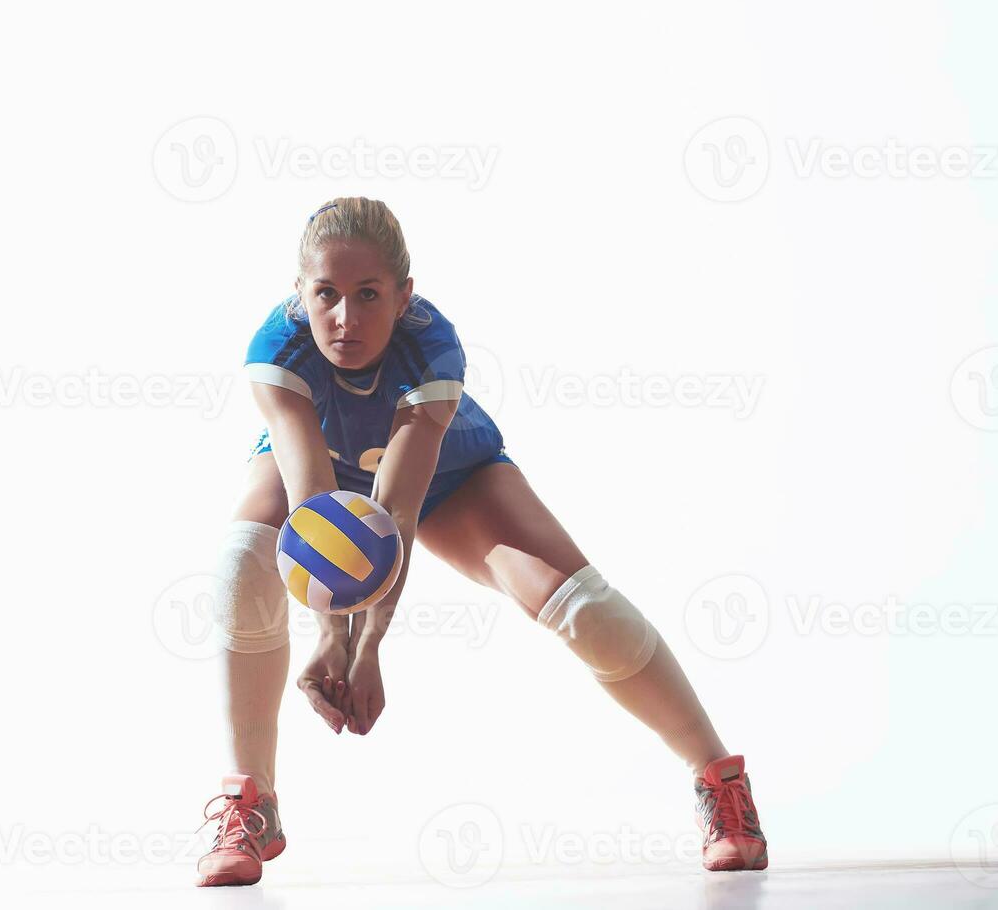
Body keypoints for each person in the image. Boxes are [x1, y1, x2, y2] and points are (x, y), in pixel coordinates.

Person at [193, 197, 768, 887]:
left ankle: (720, 784)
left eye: (368, 295)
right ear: (300, 293)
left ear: (404, 296)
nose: (344, 319)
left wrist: (368, 644)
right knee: (241, 565)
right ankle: (248, 805)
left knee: (585, 610)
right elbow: (319, 509)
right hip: (326, 470)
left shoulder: (431, 349)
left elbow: (394, 515)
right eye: (326, 295)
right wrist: (330, 637)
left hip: (448, 475)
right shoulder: (275, 353)